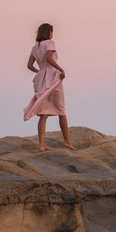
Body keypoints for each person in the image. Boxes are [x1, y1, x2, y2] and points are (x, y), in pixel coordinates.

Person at [23, 23, 77, 152]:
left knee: (43, 113)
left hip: (41, 79)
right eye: (52, 32)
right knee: (61, 110)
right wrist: (61, 69)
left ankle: (41, 145)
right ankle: (67, 141)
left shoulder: (34, 47)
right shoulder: (50, 43)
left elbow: (29, 65)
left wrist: (40, 72)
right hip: (52, 77)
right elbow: (49, 58)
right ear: (49, 32)